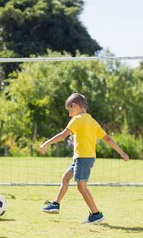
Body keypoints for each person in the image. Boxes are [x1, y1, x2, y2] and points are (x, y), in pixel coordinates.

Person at [39, 93, 129, 223]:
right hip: (81, 159)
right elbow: (107, 138)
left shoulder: (77, 119)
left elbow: (63, 135)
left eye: (69, 110)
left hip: (83, 159)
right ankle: (55, 204)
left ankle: (96, 214)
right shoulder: (92, 121)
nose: (69, 114)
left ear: (74, 106)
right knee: (65, 178)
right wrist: (122, 153)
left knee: (81, 187)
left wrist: (46, 143)